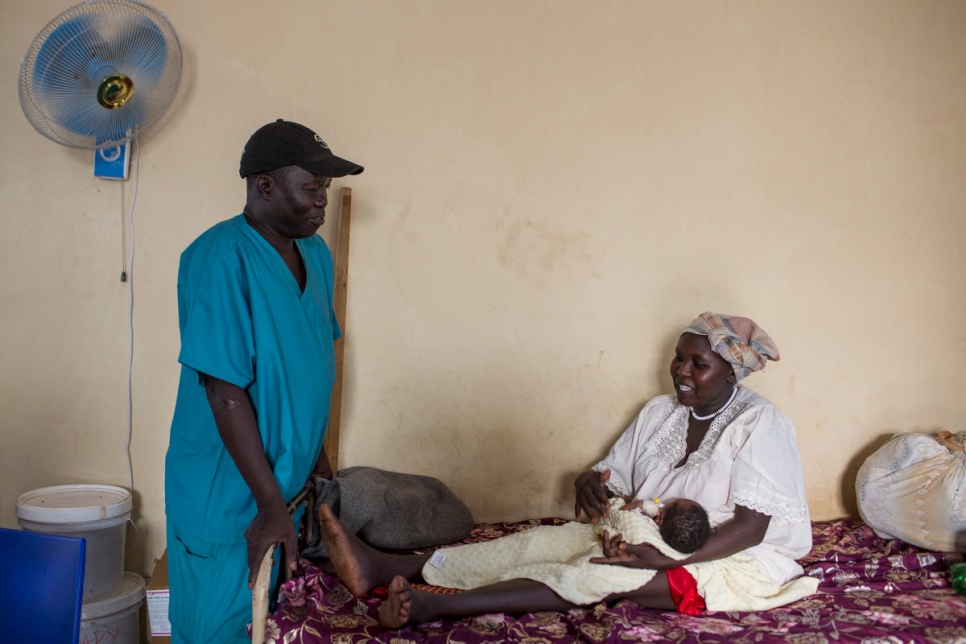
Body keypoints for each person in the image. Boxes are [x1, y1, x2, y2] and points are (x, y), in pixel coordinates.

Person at [318, 312, 817, 627]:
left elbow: (752, 529)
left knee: (594, 574)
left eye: (697, 364)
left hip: (735, 559)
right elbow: (610, 476)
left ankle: (432, 606)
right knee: (535, 542)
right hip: (648, 534)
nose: (681, 372)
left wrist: (662, 561)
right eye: (677, 359)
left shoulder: (761, 424)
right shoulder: (660, 412)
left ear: (731, 371)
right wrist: (591, 484)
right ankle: (389, 567)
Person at [164, 119, 363, 643]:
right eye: (312, 188)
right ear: (265, 186)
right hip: (227, 496)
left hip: (284, 496)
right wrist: (270, 504)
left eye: (326, 190)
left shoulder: (315, 256)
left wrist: (316, 466)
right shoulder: (218, 258)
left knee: (273, 628)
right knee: (219, 628)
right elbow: (225, 393)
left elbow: (310, 366)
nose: (322, 201)